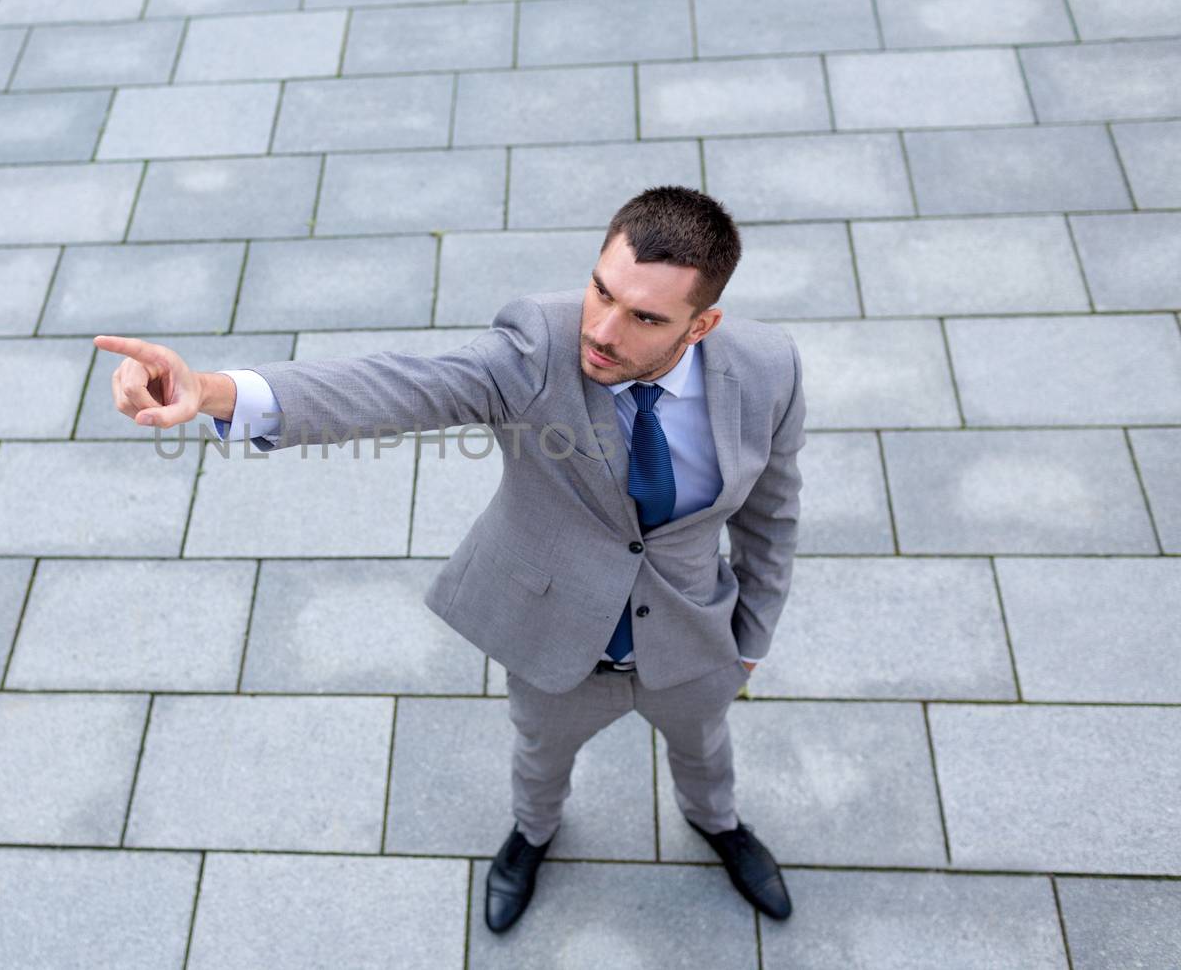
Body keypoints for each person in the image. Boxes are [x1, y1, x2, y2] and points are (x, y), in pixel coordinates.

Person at [95, 185, 804, 931]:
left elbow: (773, 516)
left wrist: (749, 642)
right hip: (554, 638)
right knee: (538, 757)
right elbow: (401, 386)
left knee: (706, 749)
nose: (601, 328)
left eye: (645, 317)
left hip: (695, 639)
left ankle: (718, 823)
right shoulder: (536, 347)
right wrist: (209, 390)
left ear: (702, 325)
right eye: (601, 290)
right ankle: (531, 837)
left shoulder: (767, 369)